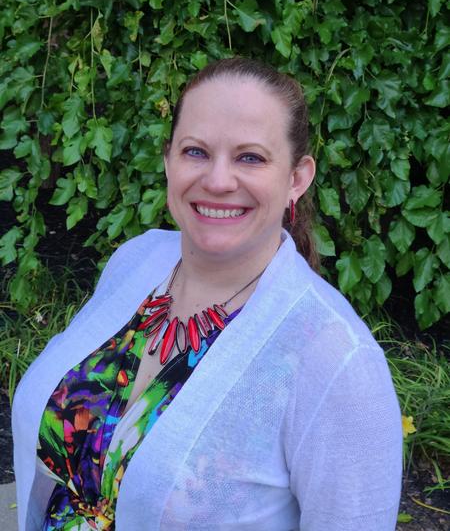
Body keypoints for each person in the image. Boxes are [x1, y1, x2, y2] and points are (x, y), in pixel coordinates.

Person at [13, 57, 403, 530]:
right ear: (168, 159)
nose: (218, 181)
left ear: (296, 178)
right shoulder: (136, 263)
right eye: (196, 151)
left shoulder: (336, 359)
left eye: (250, 157)